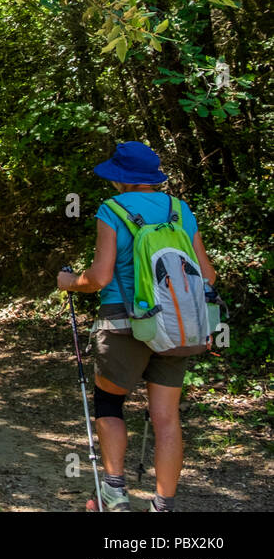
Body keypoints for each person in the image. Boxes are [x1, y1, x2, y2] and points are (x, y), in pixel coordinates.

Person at [56, 141, 217, 512]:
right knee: (166, 418)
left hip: (123, 323)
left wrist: (68, 282)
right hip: (177, 325)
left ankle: (114, 493)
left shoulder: (111, 210)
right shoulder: (180, 210)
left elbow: (99, 276)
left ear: (121, 178)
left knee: (110, 402)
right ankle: (163, 506)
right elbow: (207, 275)